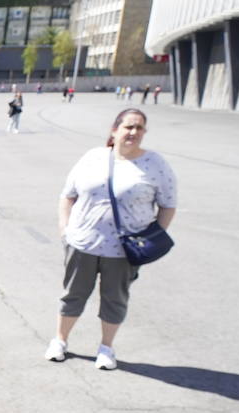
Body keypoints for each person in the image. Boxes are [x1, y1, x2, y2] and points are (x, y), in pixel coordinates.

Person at [45, 108, 177, 370]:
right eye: (128, 127)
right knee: (73, 294)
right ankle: (60, 340)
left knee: (115, 298)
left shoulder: (155, 165)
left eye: (139, 128)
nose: (133, 133)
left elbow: (168, 204)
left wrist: (151, 238)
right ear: (114, 130)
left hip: (123, 251)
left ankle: (106, 348)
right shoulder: (93, 157)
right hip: (82, 243)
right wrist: (65, 229)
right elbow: (67, 195)